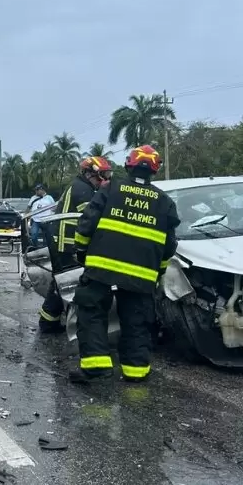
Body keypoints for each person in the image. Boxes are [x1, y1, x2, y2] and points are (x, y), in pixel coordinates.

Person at [70, 145, 180, 384]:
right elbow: (169, 246)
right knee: (137, 321)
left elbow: (87, 223)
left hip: (101, 268)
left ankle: (95, 366)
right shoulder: (165, 202)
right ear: (154, 170)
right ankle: (136, 371)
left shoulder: (111, 189)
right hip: (140, 276)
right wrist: (158, 272)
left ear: (129, 165)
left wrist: (80, 252)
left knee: (91, 312)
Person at [38, 157, 111, 332]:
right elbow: (91, 219)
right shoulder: (83, 190)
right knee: (65, 282)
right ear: (89, 173)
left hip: (65, 242)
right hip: (68, 244)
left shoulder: (81, 186)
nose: (105, 179)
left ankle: (49, 319)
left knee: (60, 282)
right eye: (102, 175)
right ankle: (49, 321)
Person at [26, 184, 56, 249]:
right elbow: (28, 208)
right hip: (35, 220)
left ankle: (45, 249)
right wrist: (26, 216)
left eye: (37, 190)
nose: (36, 192)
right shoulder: (33, 198)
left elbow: (54, 208)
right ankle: (36, 247)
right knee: (33, 235)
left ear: (42, 190)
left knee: (47, 236)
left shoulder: (49, 198)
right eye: (35, 190)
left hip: (46, 220)